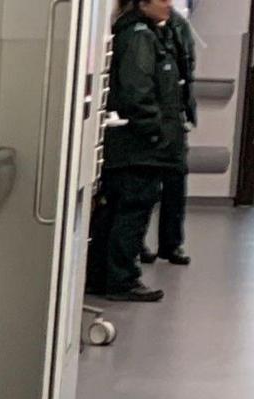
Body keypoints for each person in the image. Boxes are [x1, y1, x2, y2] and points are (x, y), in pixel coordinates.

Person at [90, 0, 191, 303]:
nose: (169, 5)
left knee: (115, 211)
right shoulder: (139, 37)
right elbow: (137, 93)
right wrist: (156, 131)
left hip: (135, 144)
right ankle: (121, 280)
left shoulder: (145, 33)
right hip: (139, 145)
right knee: (131, 211)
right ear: (142, 3)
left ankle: (100, 277)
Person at [146, 0, 201, 266]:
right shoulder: (141, 29)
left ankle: (172, 244)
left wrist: (187, 112)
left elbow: (186, 71)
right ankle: (138, 245)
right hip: (153, 116)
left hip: (175, 115)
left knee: (176, 182)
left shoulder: (179, 25)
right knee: (144, 184)